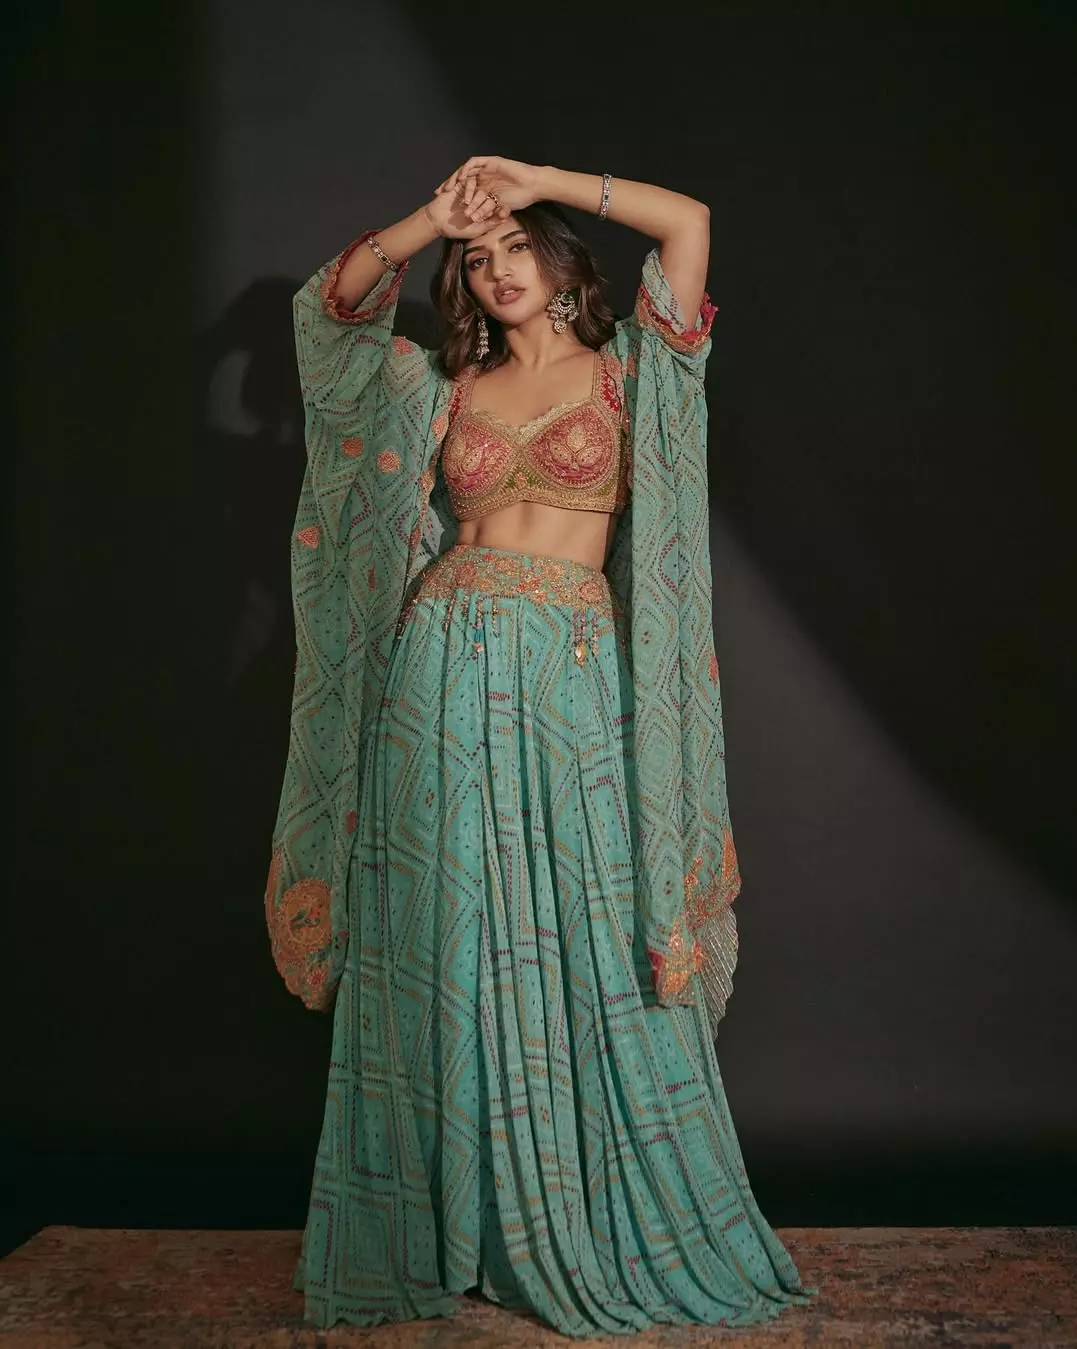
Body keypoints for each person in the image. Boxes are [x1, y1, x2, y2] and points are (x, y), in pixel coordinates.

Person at [265, 156, 809, 1337]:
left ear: (562, 267)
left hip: (568, 671)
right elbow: (333, 312)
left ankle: (581, 1209)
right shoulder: (440, 385)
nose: (498, 269)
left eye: (518, 247)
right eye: (478, 259)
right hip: (436, 669)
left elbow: (689, 222)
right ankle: (454, 1225)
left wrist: (534, 180)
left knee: (588, 923)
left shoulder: (635, 369)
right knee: (443, 928)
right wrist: (433, 218)